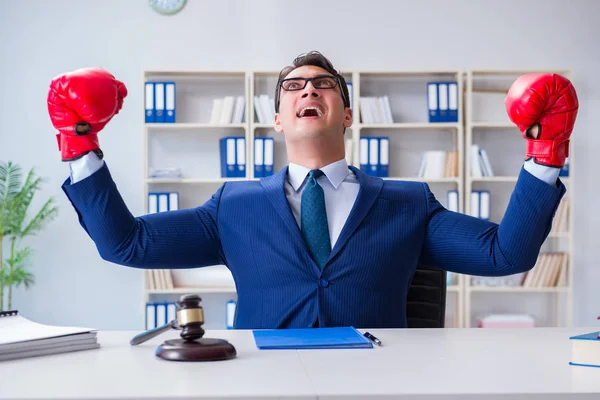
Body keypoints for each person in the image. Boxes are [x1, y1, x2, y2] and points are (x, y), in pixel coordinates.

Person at [48, 51, 578, 329]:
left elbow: (507, 253)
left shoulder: (408, 203)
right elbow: (125, 245)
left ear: (347, 114)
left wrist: (546, 151)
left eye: (323, 84)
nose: (308, 89)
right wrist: (79, 144)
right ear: (277, 118)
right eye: (293, 87)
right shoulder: (233, 205)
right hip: (264, 387)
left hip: (377, 386)